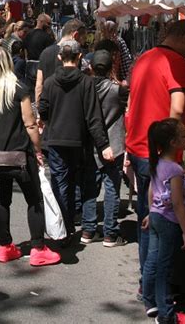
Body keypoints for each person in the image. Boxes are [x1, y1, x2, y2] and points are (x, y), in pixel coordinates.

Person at [126, 19, 185, 287]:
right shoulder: (174, 61)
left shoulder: (144, 58)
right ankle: (157, 286)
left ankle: (147, 279)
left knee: (146, 217)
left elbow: (132, 102)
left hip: (137, 146)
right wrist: (174, 143)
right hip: (158, 154)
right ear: (183, 37)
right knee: (161, 224)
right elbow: (178, 107)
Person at [0, 46, 61, 267]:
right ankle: (38, 248)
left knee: (1, 201)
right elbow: (30, 123)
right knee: (34, 200)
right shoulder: (19, 89)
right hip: (22, 156)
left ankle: (5, 246)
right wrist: (38, 150)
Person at [39, 40, 113, 240]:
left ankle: (63, 224)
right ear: (80, 57)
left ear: (59, 57)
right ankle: (70, 220)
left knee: (60, 181)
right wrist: (103, 144)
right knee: (76, 182)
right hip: (79, 141)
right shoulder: (86, 83)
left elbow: (43, 109)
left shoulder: (50, 82)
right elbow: (93, 117)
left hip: (55, 138)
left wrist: (49, 121)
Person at [142, 119, 185, 323]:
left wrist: (149, 212)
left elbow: (151, 190)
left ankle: (150, 302)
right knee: (164, 267)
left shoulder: (158, 161)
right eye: (183, 136)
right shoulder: (175, 170)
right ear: (173, 142)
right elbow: (178, 203)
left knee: (152, 261)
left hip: (155, 216)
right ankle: (166, 314)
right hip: (168, 221)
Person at [80, 49, 129, 247]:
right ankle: (110, 232)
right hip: (114, 143)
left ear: (91, 67)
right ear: (111, 67)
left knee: (90, 187)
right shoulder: (117, 90)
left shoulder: (85, 88)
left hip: (91, 143)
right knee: (112, 187)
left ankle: (88, 229)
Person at [35, 18, 87, 108]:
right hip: (69, 107)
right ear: (75, 35)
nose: (83, 43)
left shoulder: (45, 52)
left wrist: (39, 109)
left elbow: (39, 84)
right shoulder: (75, 55)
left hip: (49, 106)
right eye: (83, 39)